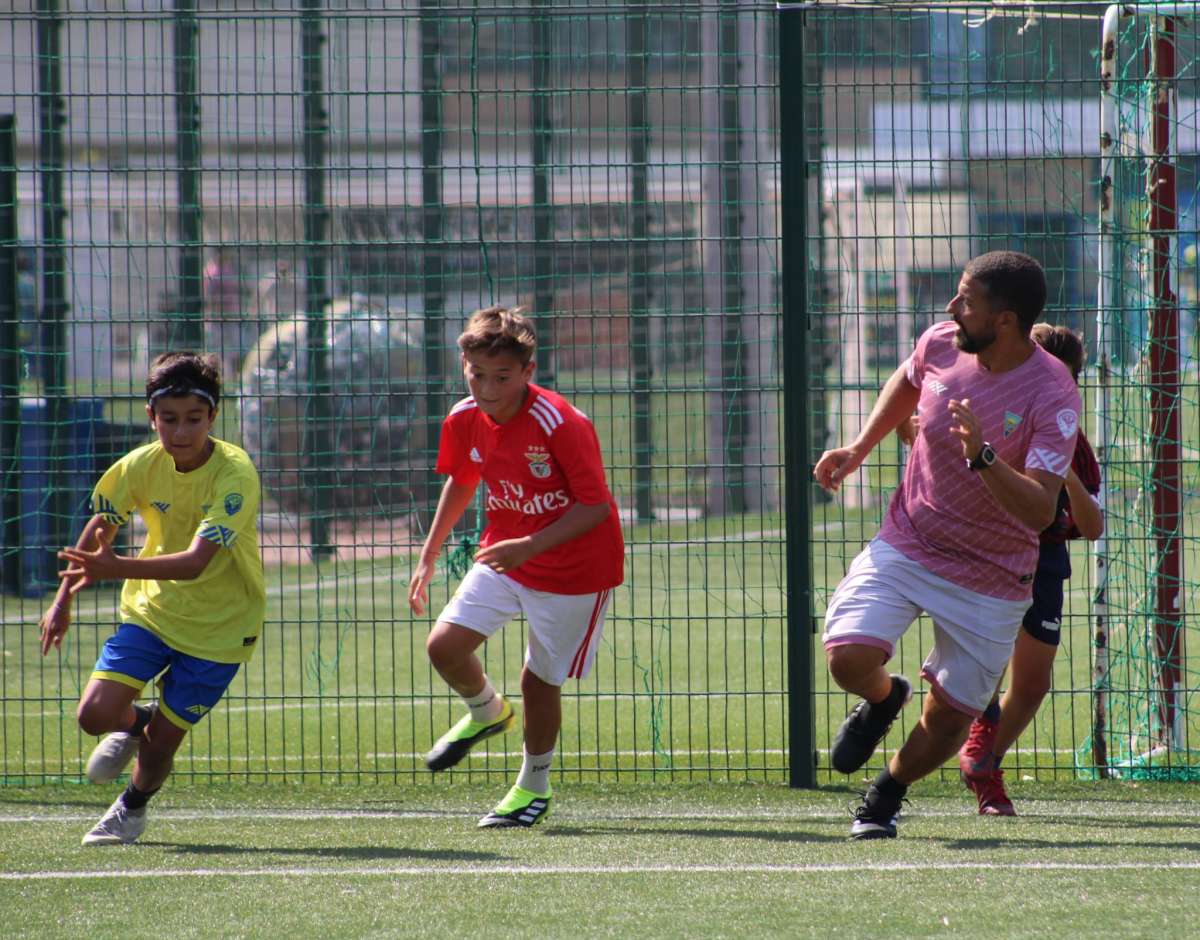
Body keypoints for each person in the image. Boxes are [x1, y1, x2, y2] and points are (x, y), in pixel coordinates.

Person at [813, 251, 1082, 840]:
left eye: (966, 300)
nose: (951, 308)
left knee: (949, 721)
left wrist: (983, 457)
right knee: (847, 657)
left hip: (993, 572)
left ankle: (885, 794)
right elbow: (908, 380)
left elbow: (1040, 508)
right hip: (911, 540)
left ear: (1004, 320)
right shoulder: (941, 341)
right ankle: (884, 701)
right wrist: (858, 448)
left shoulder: (1052, 392)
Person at [408, 305, 624, 828]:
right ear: (464, 366)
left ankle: (534, 787)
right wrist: (429, 553)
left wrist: (529, 544)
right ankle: (487, 712)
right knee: (444, 646)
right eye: (477, 374)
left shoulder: (562, 422)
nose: (487, 387)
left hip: (576, 571)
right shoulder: (464, 417)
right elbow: (462, 478)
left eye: (501, 377)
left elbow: (594, 505)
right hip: (507, 553)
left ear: (528, 372)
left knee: (538, 682)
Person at [38, 352, 265, 845]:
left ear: (213, 417)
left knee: (162, 745)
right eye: (168, 419)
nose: (180, 432)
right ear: (151, 417)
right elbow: (98, 532)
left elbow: (194, 563)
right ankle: (140, 720)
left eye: (193, 420)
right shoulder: (137, 467)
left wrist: (117, 568)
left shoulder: (235, 473)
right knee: (93, 715)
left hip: (222, 628)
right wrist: (62, 600)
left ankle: (131, 809)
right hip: (152, 612)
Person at [954, 324, 1102, 814]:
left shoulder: (1074, 443)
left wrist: (1064, 478)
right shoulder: (997, 417)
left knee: (1033, 683)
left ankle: (986, 763)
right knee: (979, 674)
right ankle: (904, 770)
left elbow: (1093, 526)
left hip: (1045, 561)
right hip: (991, 552)